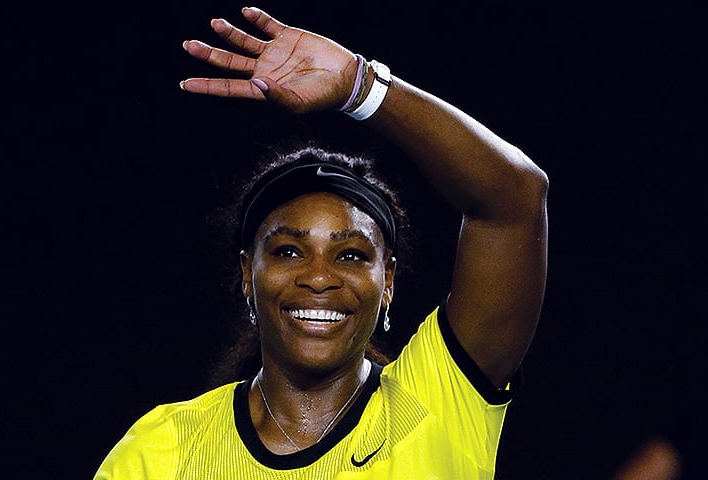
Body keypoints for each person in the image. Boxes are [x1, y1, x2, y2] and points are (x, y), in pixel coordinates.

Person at [94, 6, 548, 479]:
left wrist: (360, 86)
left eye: (350, 255)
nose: (317, 277)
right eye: (289, 251)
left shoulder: (435, 404)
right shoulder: (164, 451)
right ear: (247, 273)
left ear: (388, 280)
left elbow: (516, 197)